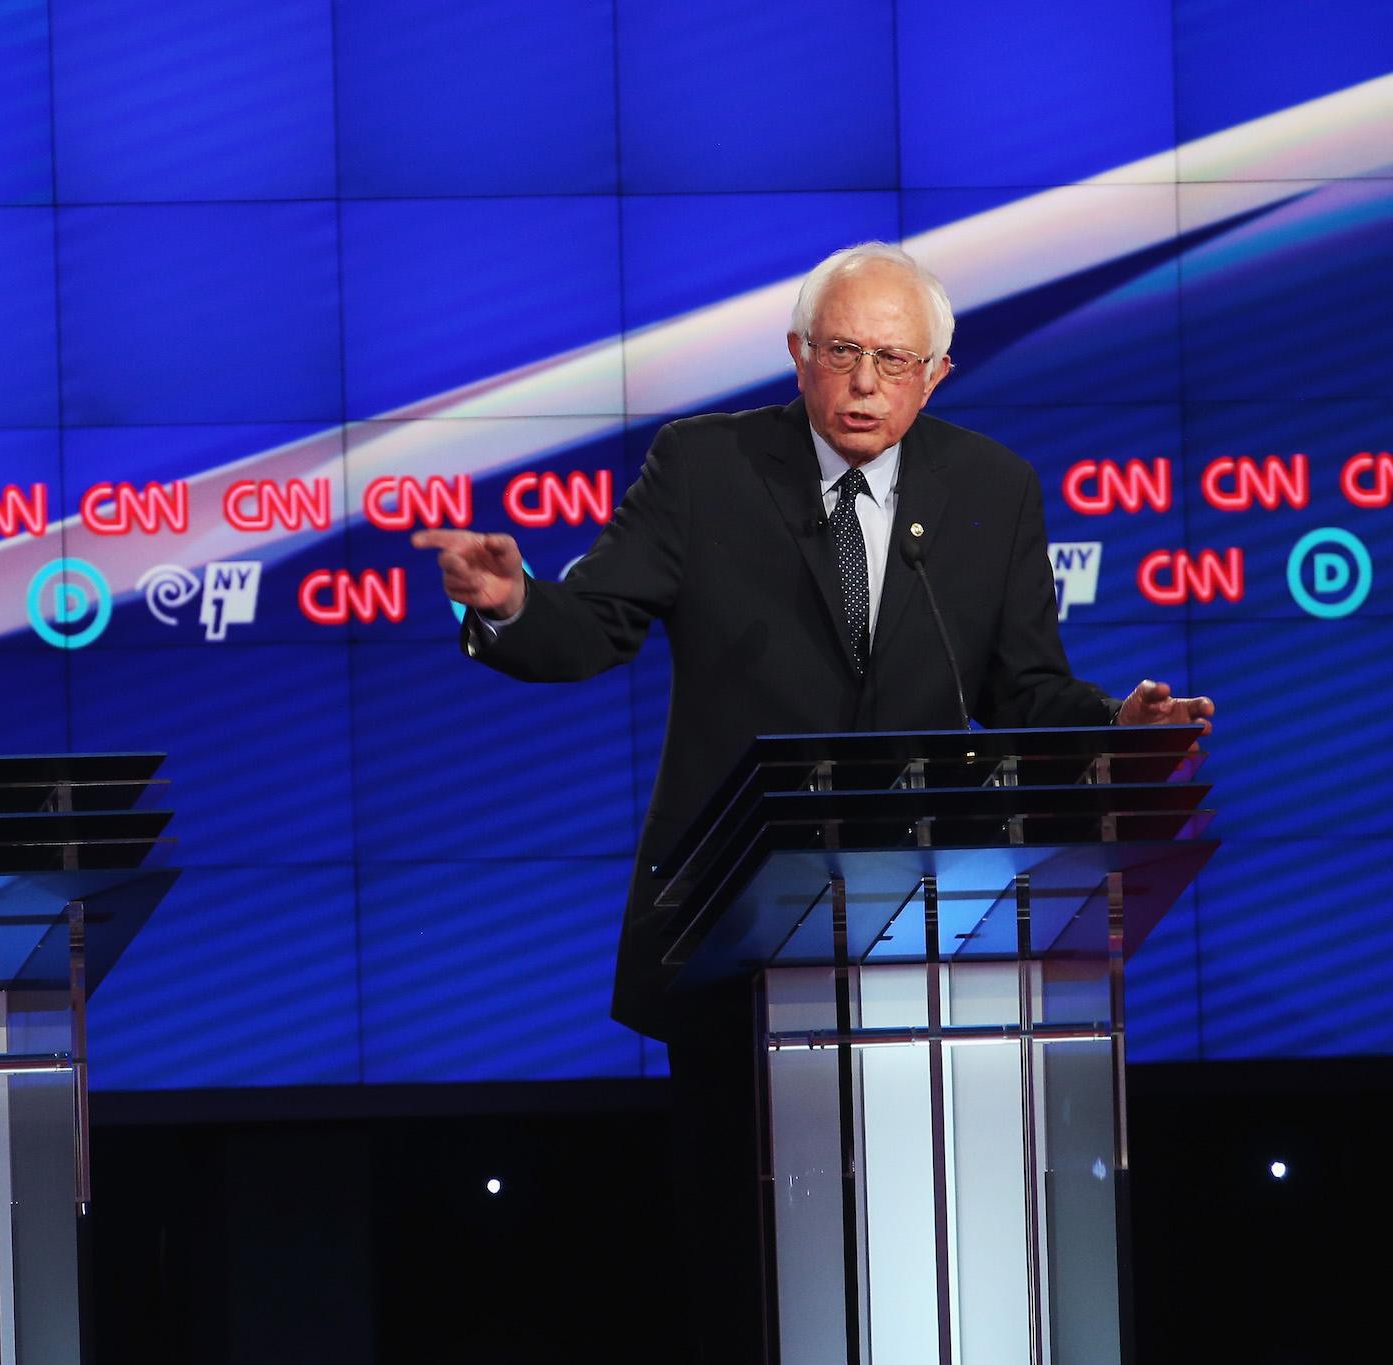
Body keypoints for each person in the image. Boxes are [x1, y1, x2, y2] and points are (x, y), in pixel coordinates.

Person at [414, 242, 1213, 1360]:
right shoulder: (704, 467)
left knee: (914, 1262)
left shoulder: (990, 488)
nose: (864, 383)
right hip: (732, 942)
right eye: (841, 352)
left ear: (935, 373)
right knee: (747, 1273)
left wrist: (1110, 732)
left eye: (892, 358)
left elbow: (1020, 686)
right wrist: (508, 603)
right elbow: (591, 624)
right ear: (798, 355)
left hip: (930, 940)